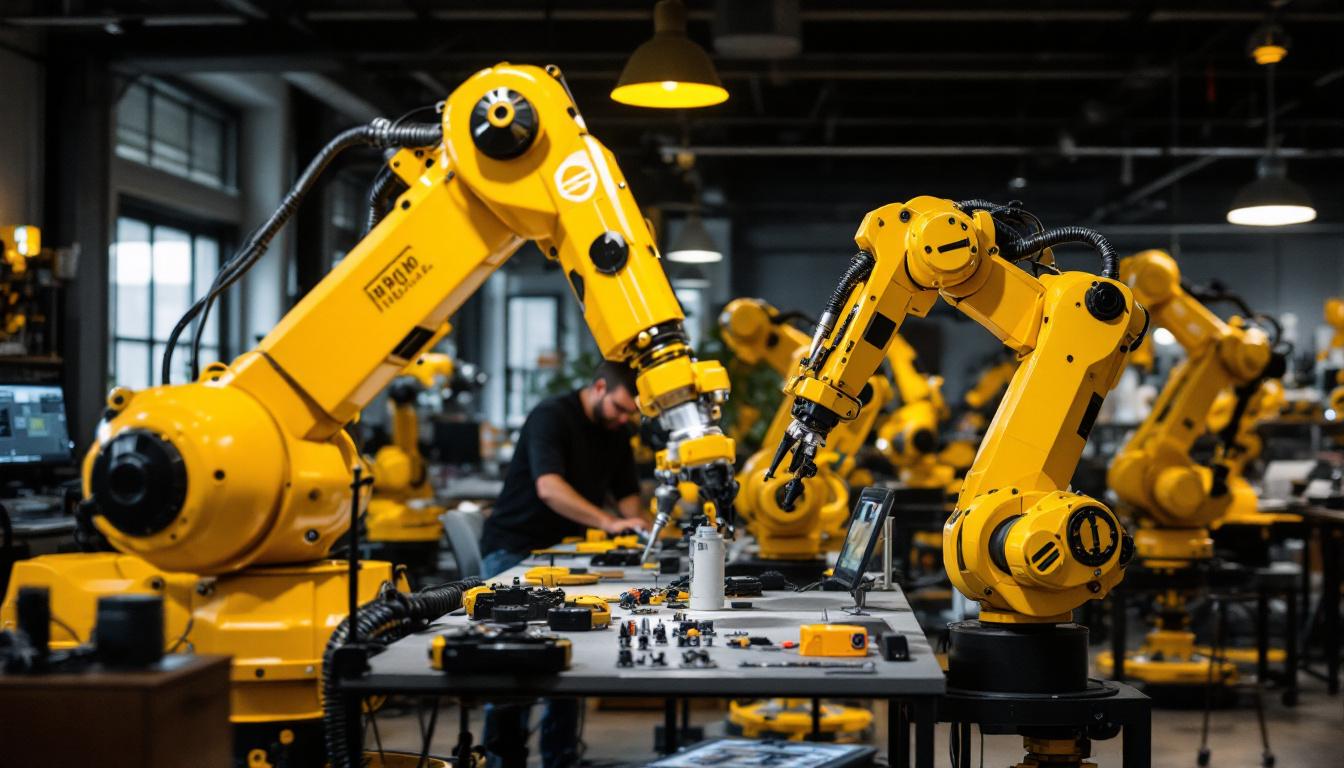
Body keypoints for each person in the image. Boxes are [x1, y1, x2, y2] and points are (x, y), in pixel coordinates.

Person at [479, 360, 650, 768]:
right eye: (621, 409)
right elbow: (549, 488)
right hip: (514, 548)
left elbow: (627, 494)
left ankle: (560, 758)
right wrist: (609, 522)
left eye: (631, 414)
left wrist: (641, 528)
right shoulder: (551, 416)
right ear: (597, 388)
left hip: (567, 553)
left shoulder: (617, 430)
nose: (625, 419)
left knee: (569, 650)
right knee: (511, 663)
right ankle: (503, 760)